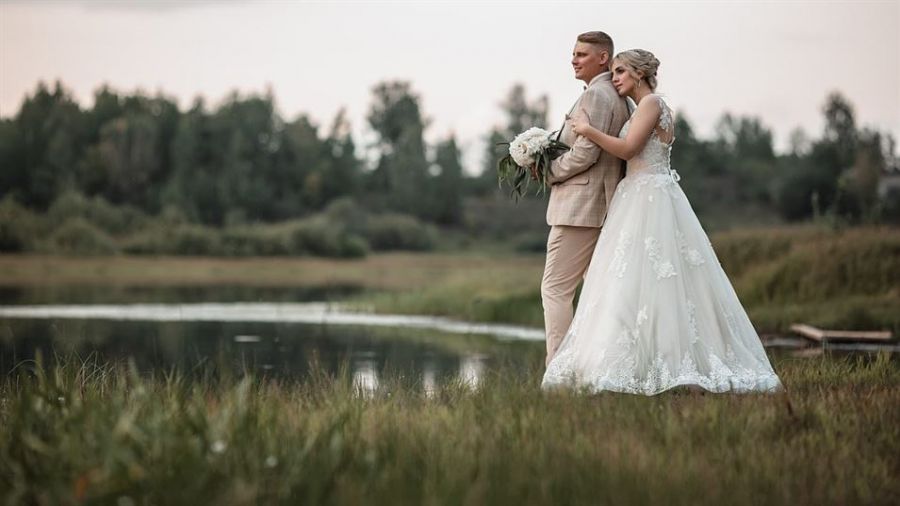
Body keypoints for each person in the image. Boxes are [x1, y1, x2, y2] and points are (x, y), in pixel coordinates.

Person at [541, 49, 782, 394]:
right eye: (613, 72)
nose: (616, 79)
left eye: (621, 71)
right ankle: (634, 357)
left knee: (653, 280)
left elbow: (627, 149)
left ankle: (662, 362)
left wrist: (587, 130)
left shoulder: (652, 103)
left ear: (639, 73)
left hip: (647, 196)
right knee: (635, 282)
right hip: (641, 193)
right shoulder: (644, 107)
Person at [541, 31, 630, 366]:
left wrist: (548, 171)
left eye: (581, 54)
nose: (574, 60)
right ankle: (601, 365)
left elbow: (585, 155)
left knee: (555, 290)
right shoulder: (616, 95)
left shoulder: (597, 95)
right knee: (598, 294)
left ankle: (559, 369)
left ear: (603, 58)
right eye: (573, 54)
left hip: (581, 208)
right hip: (601, 205)